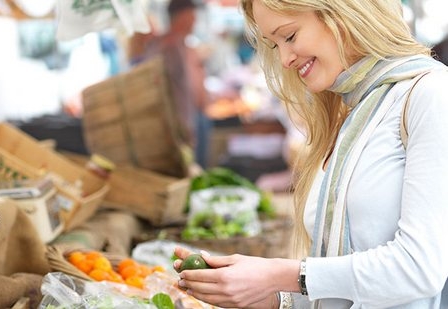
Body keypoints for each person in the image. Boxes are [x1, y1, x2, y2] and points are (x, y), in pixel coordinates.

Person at [173, 0, 448, 308]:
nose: (286, 59)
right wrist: (267, 297)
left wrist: (280, 274)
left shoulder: (431, 93)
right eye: (275, 46)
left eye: (289, 36)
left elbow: (420, 269)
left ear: (341, 13)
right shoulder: (351, 114)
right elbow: (342, 288)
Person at [143, 0, 211, 169]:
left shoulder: (181, 44)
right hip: (180, 126)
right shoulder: (168, 45)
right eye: (193, 16)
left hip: (190, 121)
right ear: (184, 16)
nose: (195, 21)